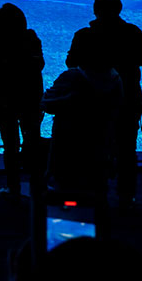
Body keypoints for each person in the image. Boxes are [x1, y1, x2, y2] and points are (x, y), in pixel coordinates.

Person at [65, 0, 142, 205]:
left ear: (95, 9)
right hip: (127, 98)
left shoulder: (84, 35)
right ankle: (126, 195)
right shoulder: (133, 32)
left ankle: (96, 191)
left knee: (92, 146)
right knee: (127, 149)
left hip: (91, 101)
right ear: (119, 7)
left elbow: (71, 62)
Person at [42, 30, 122, 199]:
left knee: (65, 194)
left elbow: (47, 103)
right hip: (99, 148)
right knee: (96, 194)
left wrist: (67, 100)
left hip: (69, 150)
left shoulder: (72, 77)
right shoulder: (115, 78)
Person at [0, 2, 44, 197]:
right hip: (30, 98)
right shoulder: (32, 41)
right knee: (33, 142)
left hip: (6, 100)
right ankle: (37, 185)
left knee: (10, 145)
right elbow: (39, 66)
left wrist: (7, 65)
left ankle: (13, 187)